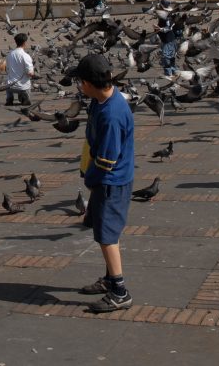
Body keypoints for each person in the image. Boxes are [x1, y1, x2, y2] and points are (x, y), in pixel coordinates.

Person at [76, 53, 135, 313]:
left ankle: (120, 292)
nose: (78, 86)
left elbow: (107, 160)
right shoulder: (102, 100)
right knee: (102, 232)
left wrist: (90, 178)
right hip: (108, 180)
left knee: (107, 236)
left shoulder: (112, 114)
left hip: (111, 181)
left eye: (80, 81)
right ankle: (110, 279)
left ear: (89, 83)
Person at [4, 32, 35, 106]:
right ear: (25, 42)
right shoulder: (25, 55)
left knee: (9, 83)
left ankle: (9, 99)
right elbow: (30, 73)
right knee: (26, 100)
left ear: (16, 42)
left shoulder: (9, 54)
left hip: (10, 86)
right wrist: (34, 74)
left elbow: (7, 70)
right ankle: (24, 99)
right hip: (22, 87)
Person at [155, 0, 178, 77]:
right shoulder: (168, 15)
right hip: (169, 38)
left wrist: (160, 29)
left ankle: (169, 73)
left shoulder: (166, 17)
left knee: (166, 57)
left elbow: (169, 27)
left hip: (167, 39)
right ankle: (174, 71)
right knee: (171, 56)